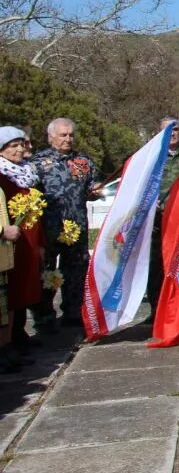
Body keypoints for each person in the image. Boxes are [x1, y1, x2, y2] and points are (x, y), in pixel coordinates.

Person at [32, 118, 98, 330]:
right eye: (63, 135)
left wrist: (96, 191)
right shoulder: (37, 163)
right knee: (47, 273)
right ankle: (44, 316)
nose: (68, 139)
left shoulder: (83, 161)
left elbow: (92, 186)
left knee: (76, 271)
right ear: (51, 136)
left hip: (77, 226)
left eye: (71, 135)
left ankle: (72, 312)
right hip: (49, 228)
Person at [0, 127, 35, 372]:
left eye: (21, 144)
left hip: (17, 245)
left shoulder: (25, 173)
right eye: (13, 145)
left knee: (13, 300)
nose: (19, 149)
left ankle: (11, 344)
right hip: (5, 241)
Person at [148, 117, 179, 319]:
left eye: (176, 129)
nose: (172, 133)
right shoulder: (150, 156)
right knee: (155, 268)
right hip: (155, 222)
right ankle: (156, 311)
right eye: (167, 130)